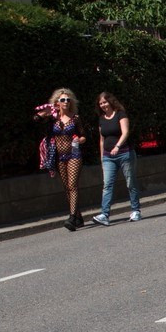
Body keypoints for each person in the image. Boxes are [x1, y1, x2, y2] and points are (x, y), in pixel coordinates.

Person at [35, 88, 86, 232]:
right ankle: (79, 217)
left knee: (72, 185)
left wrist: (80, 140)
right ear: (57, 102)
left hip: (74, 154)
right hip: (59, 156)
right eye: (62, 100)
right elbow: (35, 120)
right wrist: (42, 115)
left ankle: (71, 218)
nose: (66, 102)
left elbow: (83, 135)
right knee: (66, 188)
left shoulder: (75, 117)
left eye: (68, 100)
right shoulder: (53, 118)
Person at [92, 92, 141, 226]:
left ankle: (136, 210)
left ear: (111, 102)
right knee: (107, 185)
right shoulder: (101, 119)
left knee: (130, 182)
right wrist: (102, 157)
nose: (103, 105)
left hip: (125, 153)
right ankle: (104, 214)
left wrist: (117, 146)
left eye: (105, 102)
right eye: (101, 103)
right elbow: (102, 140)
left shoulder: (120, 114)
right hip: (108, 157)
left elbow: (125, 132)